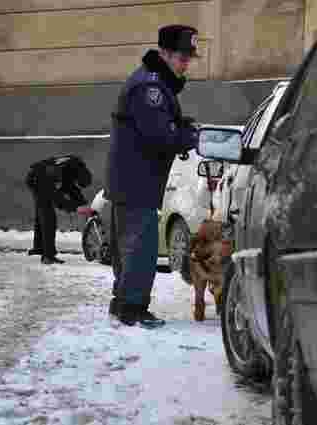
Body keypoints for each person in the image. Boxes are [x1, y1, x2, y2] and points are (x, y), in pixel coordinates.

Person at [105, 25, 200, 327]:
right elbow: (159, 135)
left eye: (188, 58)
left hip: (132, 178)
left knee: (130, 245)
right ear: (164, 54)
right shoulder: (151, 88)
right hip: (137, 180)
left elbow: (155, 127)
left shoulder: (153, 82)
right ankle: (132, 308)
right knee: (141, 246)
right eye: (181, 57)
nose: (185, 63)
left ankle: (122, 303)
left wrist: (179, 126)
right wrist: (187, 135)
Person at [25, 155, 92, 264]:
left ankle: (38, 248)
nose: (77, 184)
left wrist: (83, 204)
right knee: (48, 218)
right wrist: (75, 207)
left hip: (38, 175)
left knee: (41, 214)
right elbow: (56, 197)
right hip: (39, 179)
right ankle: (48, 256)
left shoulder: (72, 166)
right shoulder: (60, 169)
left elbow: (70, 188)